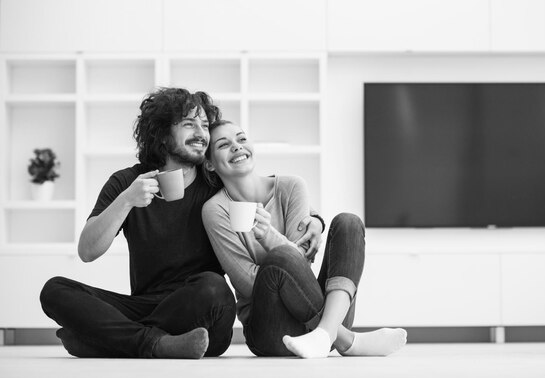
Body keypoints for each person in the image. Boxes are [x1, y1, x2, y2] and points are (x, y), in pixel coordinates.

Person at [38, 87, 321, 359]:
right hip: (146, 306)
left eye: (204, 125)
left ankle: (109, 339)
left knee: (213, 287)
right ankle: (156, 343)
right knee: (55, 290)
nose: (201, 134)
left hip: (204, 308)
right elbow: (88, 251)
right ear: (162, 134)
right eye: (189, 124)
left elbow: (262, 191)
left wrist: (315, 220)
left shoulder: (213, 182)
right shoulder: (127, 183)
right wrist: (126, 201)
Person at [202, 120, 407, 358]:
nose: (237, 147)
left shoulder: (291, 187)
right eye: (224, 145)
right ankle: (344, 338)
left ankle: (325, 334)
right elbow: (248, 284)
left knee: (348, 223)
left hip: (315, 317)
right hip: (269, 330)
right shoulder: (215, 209)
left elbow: (302, 263)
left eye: (241, 138)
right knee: (282, 256)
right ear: (209, 163)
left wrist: (269, 236)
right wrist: (274, 251)